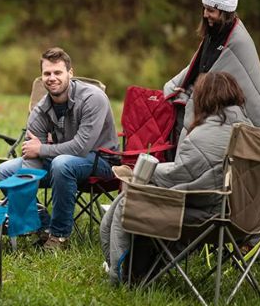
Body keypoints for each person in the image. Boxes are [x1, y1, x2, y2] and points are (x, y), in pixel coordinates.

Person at [101, 72, 251, 285]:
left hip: (209, 214)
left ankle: (120, 276)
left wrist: (142, 173)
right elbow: (192, 170)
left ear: (203, 97)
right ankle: (140, 269)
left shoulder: (203, 135)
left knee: (128, 202)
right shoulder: (248, 128)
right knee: (134, 196)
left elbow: (177, 175)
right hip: (242, 213)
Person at [0, 47, 119, 249]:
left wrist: (41, 149)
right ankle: (42, 226)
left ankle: (59, 236)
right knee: (5, 171)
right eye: (47, 73)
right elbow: (32, 157)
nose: (52, 78)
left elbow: (80, 147)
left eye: (58, 72)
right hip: (61, 160)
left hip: (101, 160)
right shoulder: (41, 110)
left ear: (70, 73)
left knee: (62, 164)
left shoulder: (93, 98)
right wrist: (25, 191)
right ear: (42, 76)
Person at [164, 0, 260, 145]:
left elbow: (246, 88)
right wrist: (183, 85)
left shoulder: (238, 41)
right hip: (207, 100)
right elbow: (201, 66)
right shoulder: (214, 32)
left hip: (223, 111)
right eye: (204, 8)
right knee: (176, 106)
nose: (205, 14)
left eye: (211, 10)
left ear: (225, 11)